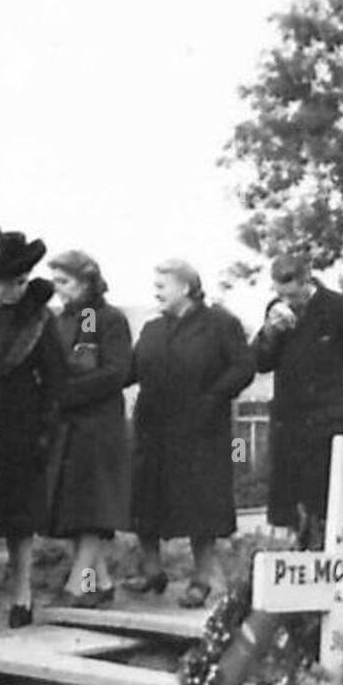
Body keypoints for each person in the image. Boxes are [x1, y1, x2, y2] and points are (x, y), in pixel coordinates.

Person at [126, 258, 254, 606]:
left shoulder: (220, 324)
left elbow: (244, 367)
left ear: (185, 288)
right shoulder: (152, 328)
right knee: (145, 499)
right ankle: (152, 570)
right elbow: (130, 369)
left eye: (162, 285)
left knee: (201, 506)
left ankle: (201, 579)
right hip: (153, 427)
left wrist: (212, 396)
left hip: (200, 429)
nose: (156, 292)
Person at [0, 229, 67, 628]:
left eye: (23, 282)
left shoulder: (38, 319)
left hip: (23, 428)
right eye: (10, 282)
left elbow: (56, 378)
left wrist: (46, 429)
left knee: (21, 518)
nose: (17, 290)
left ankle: (22, 593)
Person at [253, 253, 343, 549]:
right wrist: (270, 332)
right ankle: (297, 553)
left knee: (326, 504)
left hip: (332, 420)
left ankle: (327, 559)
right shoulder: (277, 311)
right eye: (281, 295)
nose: (289, 302)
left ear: (308, 282)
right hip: (291, 422)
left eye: (294, 295)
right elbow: (260, 362)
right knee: (291, 506)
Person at [46, 250, 132, 607]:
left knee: (92, 513)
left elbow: (116, 372)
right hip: (68, 427)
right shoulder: (60, 320)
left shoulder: (107, 319)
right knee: (76, 510)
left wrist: (68, 393)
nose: (59, 290)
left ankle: (79, 584)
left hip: (98, 426)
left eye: (64, 282)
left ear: (85, 282)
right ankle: (102, 581)